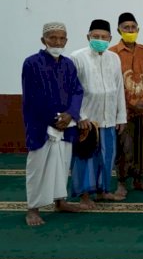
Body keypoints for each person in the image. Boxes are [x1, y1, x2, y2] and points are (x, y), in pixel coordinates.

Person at [22, 22, 84, 226]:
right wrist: (55, 118)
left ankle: (60, 201)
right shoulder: (32, 63)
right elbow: (33, 97)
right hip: (41, 125)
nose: (57, 42)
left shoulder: (68, 64)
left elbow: (77, 90)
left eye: (61, 38)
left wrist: (70, 115)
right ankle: (33, 209)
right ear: (43, 40)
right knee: (38, 167)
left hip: (66, 125)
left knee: (62, 164)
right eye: (53, 38)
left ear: (66, 40)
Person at [70, 19, 127, 208]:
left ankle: (103, 191)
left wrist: (121, 117)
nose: (100, 40)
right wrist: (79, 117)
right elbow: (72, 90)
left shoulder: (114, 58)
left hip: (109, 118)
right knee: (85, 158)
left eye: (104, 37)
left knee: (107, 156)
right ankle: (84, 196)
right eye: (96, 36)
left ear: (110, 38)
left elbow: (119, 89)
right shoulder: (77, 57)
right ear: (88, 37)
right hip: (87, 121)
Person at [110, 12, 143, 197]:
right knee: (124, 147)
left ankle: (139, 180)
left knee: (142, 147)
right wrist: (131, 103)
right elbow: (113, 82)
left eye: (133, 27)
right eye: (126, 27)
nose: (130, 30)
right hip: (123, 111)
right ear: (119, 29)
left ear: (138, 29)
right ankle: (121, 182)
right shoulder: (112, 52)